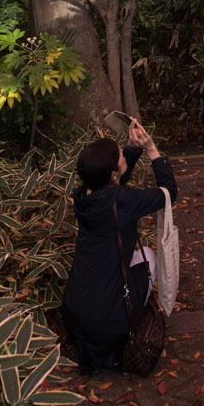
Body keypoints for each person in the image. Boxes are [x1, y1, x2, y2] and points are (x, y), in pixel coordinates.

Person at [62, 120, 177, 374]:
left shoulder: (84, 197)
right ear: (113, 173)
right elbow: (169, 192)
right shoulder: (122, 200)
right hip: (109, 320)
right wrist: (152, 150)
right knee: (148, 256)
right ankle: (120, 336)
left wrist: (132, 147)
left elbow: (112, 184)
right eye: (120, 155)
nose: (123, 154)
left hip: (74, 311)